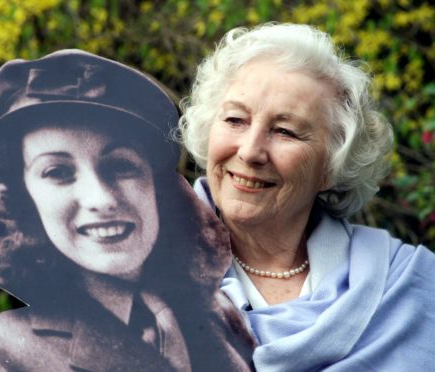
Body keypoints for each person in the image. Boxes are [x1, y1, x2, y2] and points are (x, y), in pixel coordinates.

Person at [0, 50, 255, 371]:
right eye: (58, 172)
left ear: (157, 189)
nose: (101, 198)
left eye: (120, 166)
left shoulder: (220, 319)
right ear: (23, 200)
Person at [179, 23, 435, 371]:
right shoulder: (140, 267)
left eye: (285, 131)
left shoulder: (411, 286)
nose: (251, 151)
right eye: (236, 119)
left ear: (332, 165)